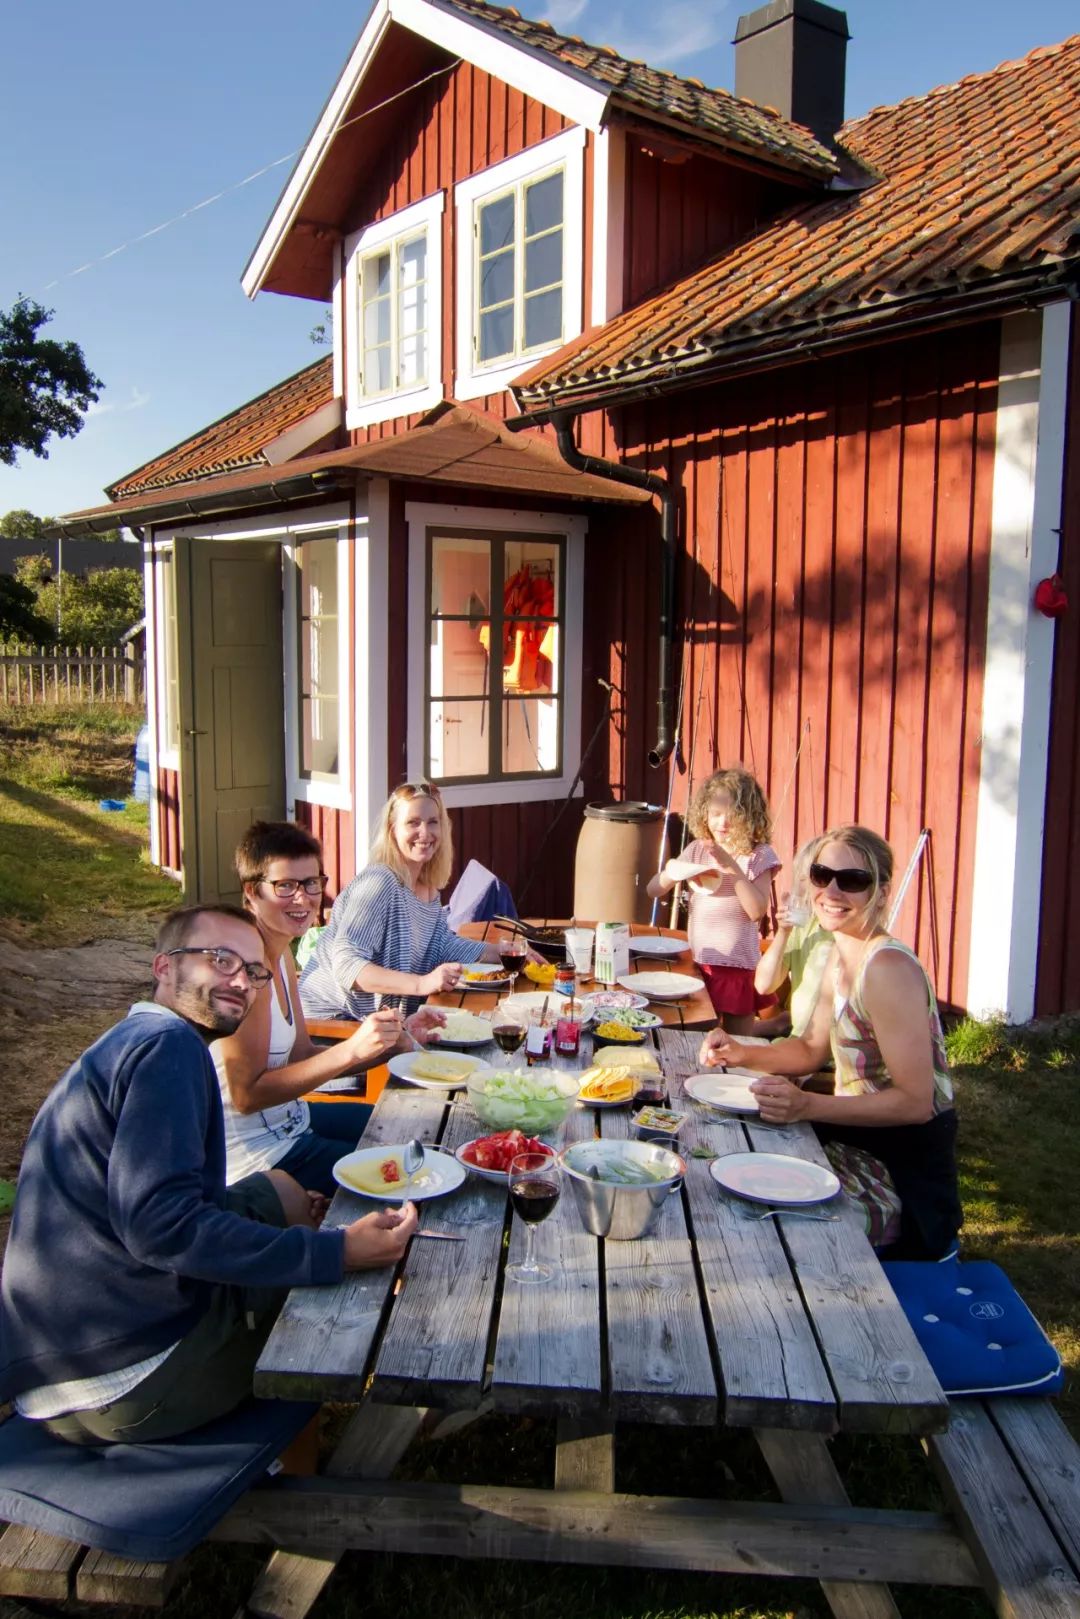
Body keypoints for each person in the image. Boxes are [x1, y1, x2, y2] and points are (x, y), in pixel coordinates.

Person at [0, 904, 418, 1445]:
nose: (240, 980)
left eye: (252, 970)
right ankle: (321, 1457)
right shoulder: (168, 1050)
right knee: (350, 1310)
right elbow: (162, 1228)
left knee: (277, 1190)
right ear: (163, 967)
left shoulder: (130, 1040)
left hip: (53, 1364)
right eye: (220, 960)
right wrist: (335, 1253)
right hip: (129, 1381)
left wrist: (285, 1226)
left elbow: (161, 1207)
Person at [699, 825, 961, 1261]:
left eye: (852, 881)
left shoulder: (887, 968)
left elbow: (917, 1102)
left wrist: (808, 1106)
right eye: (822, 875)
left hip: (902, 1178)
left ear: (880, 893)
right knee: (725, 1181)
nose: (832, 890)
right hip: (853, 1141)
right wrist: (741, 1052)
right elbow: (809, 1048)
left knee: (756, 1229)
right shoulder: (841, 951)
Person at [212, 821, 446, 1196]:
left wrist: (388, 1043)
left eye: (311, 883)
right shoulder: (243, 973)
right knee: (413, 1177)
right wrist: (353, 1048)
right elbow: (246, 1095)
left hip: (295, 1119)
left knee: (428, 1135)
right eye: (284, 886)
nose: (303, 899)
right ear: (251, 892)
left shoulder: (281, 955)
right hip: (259, 1157)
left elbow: (302, 1055)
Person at [299, 781, 508, 1021]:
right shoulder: (379, 882)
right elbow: (347, 966)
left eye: (433, 822)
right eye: (413, 823)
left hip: (381, 1021)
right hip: (331, 1022)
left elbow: (440, 945)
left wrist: (500, 952)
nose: (425, 833)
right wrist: (422, 984)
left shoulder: (428, 888)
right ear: (392, 830)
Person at [647, 767, 780, 1035]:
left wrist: (731, 866)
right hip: (698, 962)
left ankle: (772, 1027)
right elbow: (652, 890)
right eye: (716, 814)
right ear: (704, 814)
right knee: (698, 1033)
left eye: (732, 815)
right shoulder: (698, 849)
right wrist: (673, 873)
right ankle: (774, 1026)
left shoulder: (757, 855)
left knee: (737, 1041)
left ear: (750, 817)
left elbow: (756, 911)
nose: (723, 823)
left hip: (736, 967)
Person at [754, 841, 834, 1037]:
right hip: (798, 1042)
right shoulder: (805, 925)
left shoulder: (851, 938)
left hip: (825, 1054)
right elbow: (764, 985)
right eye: (815, 879)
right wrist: (783, 932)